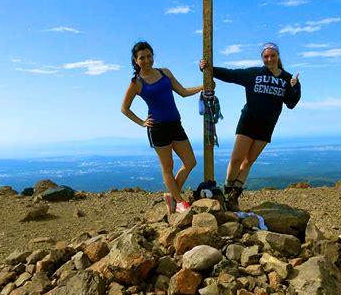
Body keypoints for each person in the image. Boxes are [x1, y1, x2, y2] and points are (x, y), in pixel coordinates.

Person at [200, 42, 301, 211]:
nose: (269, 59)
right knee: (236, 159)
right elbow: (231, 75)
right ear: (263, 58)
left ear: (278, 56)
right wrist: (208, 68)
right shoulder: (254, 74)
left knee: (249, 161)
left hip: (267, 125)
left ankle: (234, 197)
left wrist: (294, 87)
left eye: (272, 55)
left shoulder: (287, 79)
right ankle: (226, 192)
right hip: (248, 120)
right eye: (266, 56)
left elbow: (291, 103)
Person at [122, 41, 203, 214]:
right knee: (168, 166)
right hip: (157, 128)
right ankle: (180, 201)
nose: (146, 60)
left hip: (175, 124)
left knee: (190, 162)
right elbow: (125, 108)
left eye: (149, 56)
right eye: (141, 58)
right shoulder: (136, 82)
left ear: (153, 56)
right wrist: (142, 122)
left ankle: (172, 196)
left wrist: (204, 87)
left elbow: (182, 92)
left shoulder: (164, 72)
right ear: (136, 61)